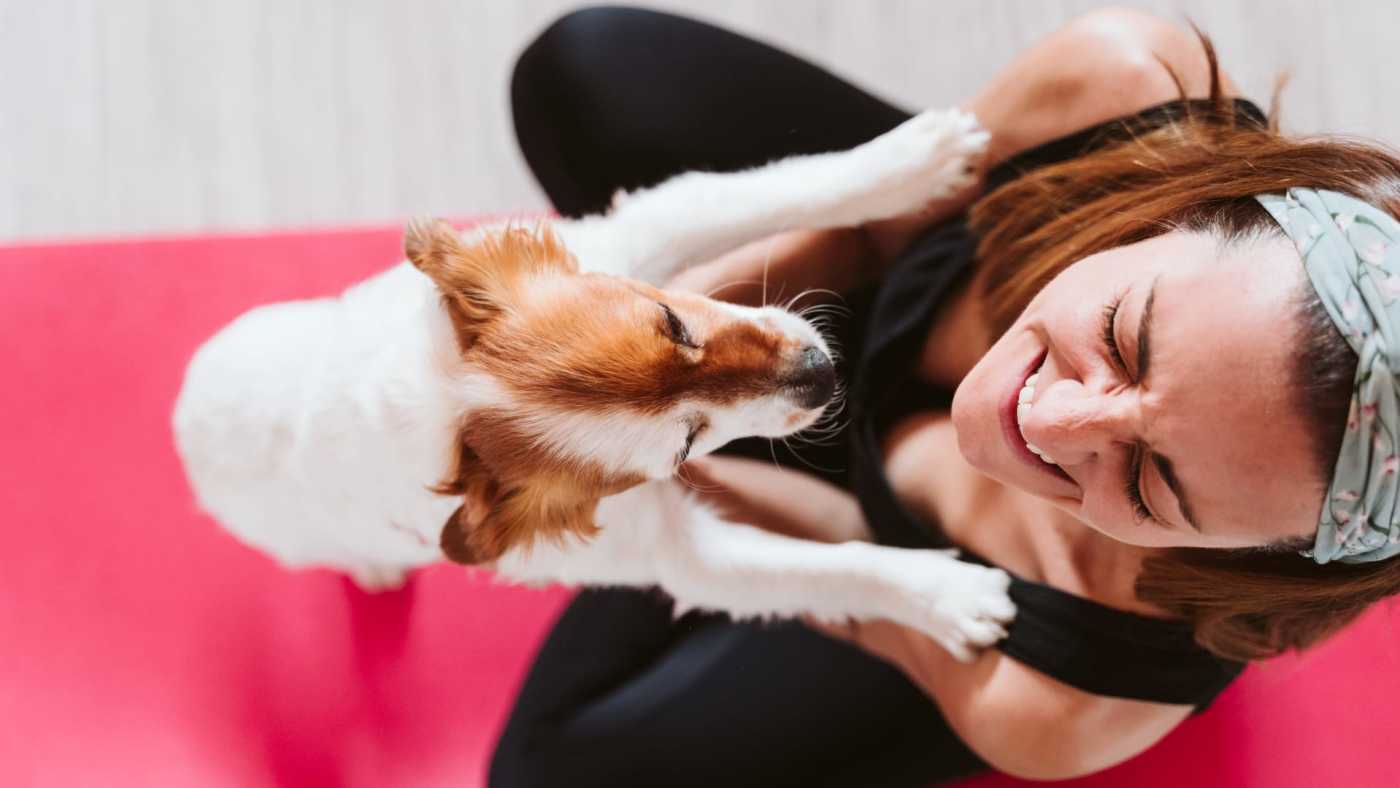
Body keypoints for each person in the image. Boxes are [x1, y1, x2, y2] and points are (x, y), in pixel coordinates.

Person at [488, 6, 1400, 786]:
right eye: (1124, 339)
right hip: (857, 284)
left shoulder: (1066, 698)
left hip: (875, 557)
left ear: (1244, 555)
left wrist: (644, 461)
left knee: (548, 771)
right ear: (1187, 213)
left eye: (1151, 481)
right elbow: (864, 235)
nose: (1047, 422)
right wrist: (666, 350)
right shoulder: (1123, 83)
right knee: (582, 70)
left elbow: (851, 570)